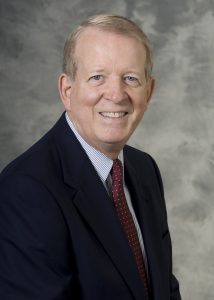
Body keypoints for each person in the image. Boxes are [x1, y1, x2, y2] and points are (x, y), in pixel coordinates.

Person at [0, 14, 181, 300]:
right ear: (67, 90)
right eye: (97, 77)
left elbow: (164, 289)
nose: (116, 94)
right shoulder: (25, 191)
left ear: (149, 91)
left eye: (130, 78)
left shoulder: (144, 170)